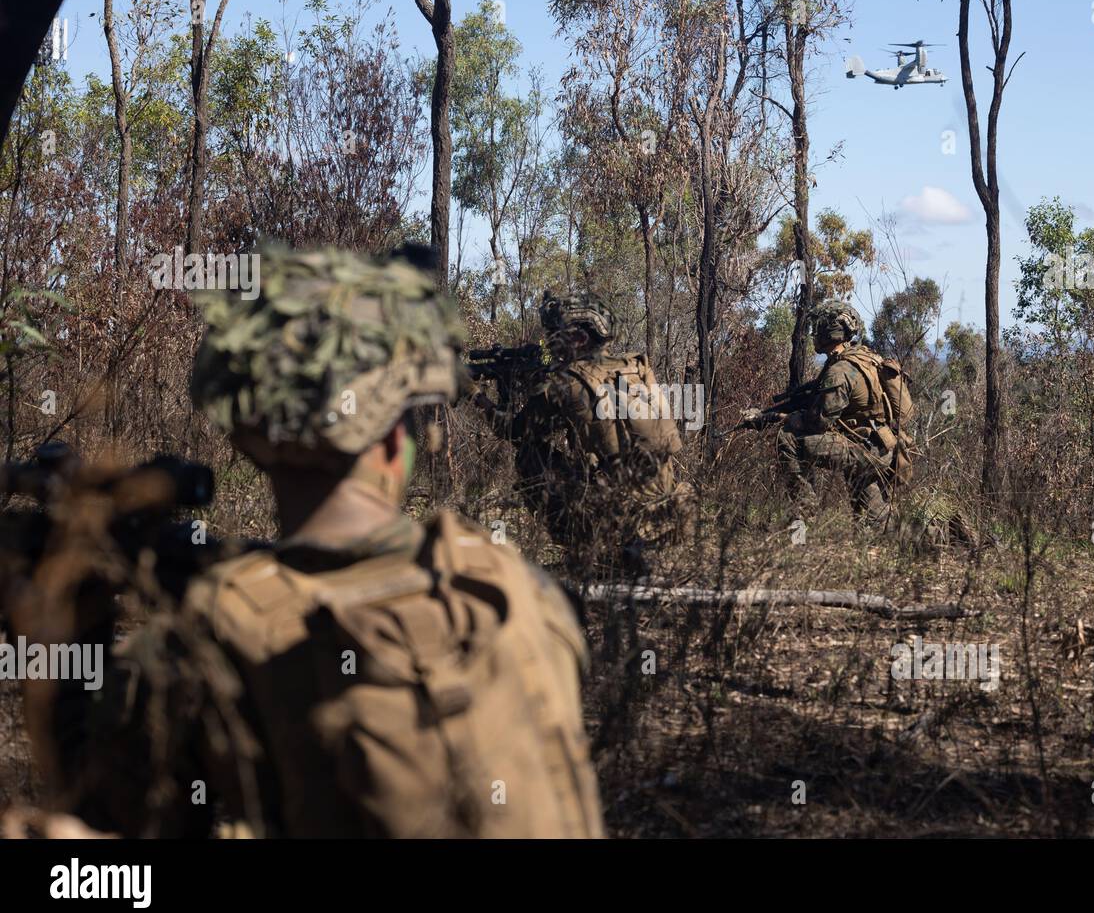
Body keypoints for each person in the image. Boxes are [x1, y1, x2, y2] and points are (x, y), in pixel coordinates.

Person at [17, 244, 604, 838]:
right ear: (400, 438)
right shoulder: (524, 594)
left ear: (250, 437)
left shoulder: (202, 646)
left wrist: (70, 618)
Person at [473, 289, 692, 575]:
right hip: (668, 513)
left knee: (529, 455)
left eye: (554, 334)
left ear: (578, 338)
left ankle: (590, 553)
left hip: (616, 517)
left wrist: (475, 396)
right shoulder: (635, 369)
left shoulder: (565, 383)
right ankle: (625, 549)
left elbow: (514, 431)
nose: (548, 342)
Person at [775, 299, 909, 526]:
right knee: (876, 524)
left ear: (832, 331)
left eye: (819, 327)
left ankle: (803, 518)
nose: (814, 333)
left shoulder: (840, 370)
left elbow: (818, 423)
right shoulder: (865, 357)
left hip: (865, 449)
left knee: (788, 440)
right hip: (879, 446)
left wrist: (786, 418)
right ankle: (943, 535)